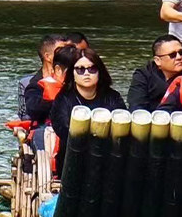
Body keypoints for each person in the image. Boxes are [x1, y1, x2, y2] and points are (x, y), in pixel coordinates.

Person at [49, 48, 126, 176]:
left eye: (92, 69)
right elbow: (63, 129)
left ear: (99, 72)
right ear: (72, 74)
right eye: (80, 69)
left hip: (108, 159)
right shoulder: (63, 99)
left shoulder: (113, 97)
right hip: (73, 160)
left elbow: (122, 127)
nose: (86, 73)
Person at [127, 35, 182, 111]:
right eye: (172, 55)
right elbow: (136, 105)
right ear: (157, 60)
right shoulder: (143, 75)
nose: (179, 57)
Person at [18, 33, 66, 118]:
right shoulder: (30, 84)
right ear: (48, 56)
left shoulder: (75, 78)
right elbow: (28, 113)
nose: (67, 53)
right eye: (62, 50)